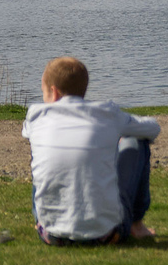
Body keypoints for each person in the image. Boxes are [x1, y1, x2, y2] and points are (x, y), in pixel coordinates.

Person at [21, 56, 160, 245]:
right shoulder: (107, 114)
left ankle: (52, 217)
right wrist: (118, 130)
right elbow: (153, 128)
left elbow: (29, 131)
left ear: (53, 93)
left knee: (43, 152)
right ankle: (136, 224)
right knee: (137, 139)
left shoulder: (36, 117)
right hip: (107, 234)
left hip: (52, 235)